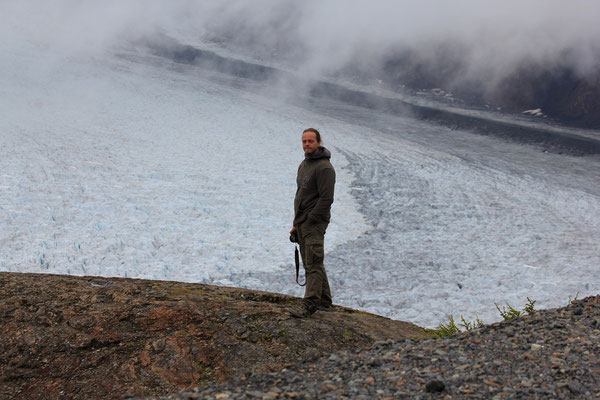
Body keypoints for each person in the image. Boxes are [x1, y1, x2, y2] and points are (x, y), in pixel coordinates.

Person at [288, 128, 336, 318]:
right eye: (304, 141)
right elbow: (301, 195)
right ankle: (324, 300)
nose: (307, 144)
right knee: (313, 260)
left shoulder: (324, 168)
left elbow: (326, 199)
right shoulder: (305, 164)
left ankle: (310, 303)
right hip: (303, 221)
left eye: (310, 141)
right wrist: (296, 223)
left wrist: (311, 219)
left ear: (318, 142)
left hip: (313, 223)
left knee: (313, 263)